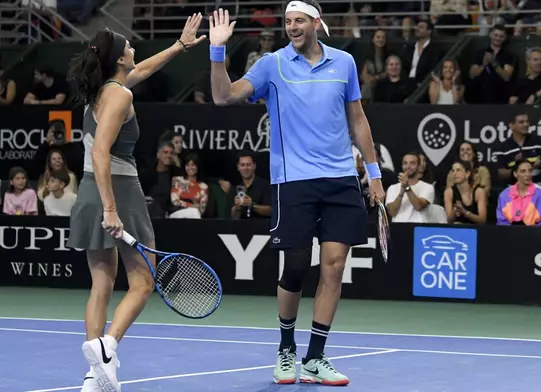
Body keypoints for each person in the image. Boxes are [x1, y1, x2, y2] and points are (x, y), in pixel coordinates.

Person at [209, 1, 385, 386]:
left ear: (316, 23)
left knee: (335, 266)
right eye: (287, 21)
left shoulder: (344, 63)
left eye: (299, 20)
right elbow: (224, 96)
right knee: (296, 266)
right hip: (293, 181)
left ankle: (315, 357)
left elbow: (357, 119)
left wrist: (373, 174)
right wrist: (217, 50)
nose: (292, 27)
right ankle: (286, 348)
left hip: (340, 178)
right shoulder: (272, 64)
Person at [66, 17, 206, 392]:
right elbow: (100, 151)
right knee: (144, 281)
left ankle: (94, 376)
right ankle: (108, 349)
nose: (133, 49)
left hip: (89, 191)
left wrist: (179, 45)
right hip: (119, 191)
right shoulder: (120, 95)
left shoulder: (102, 90)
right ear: (117, 59)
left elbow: (143, 68)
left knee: (101, 283)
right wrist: (112, 209)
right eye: (127, 46)